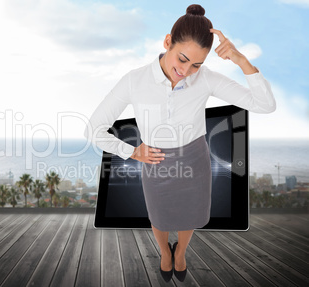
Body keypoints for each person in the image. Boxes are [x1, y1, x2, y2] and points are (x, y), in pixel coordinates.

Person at [83, 4, 276, 283]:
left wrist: (240, 59)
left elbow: (265, 105)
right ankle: (164, 251)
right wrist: (131, 151)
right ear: (167, 42)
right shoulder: (134, 80)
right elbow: (93, 129)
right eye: (182, 59)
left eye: (196, 64)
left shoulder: (205, 78)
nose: (186, 70)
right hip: (155, 162)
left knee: (191, 216)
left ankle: (182, 251)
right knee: (159, 218)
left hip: (195, 159)